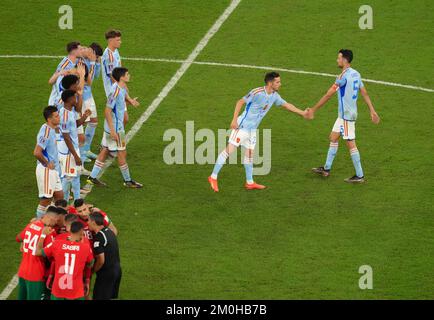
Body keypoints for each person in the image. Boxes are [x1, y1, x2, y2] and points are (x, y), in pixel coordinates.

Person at [208, 72, 311, 192]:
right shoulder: (257, 92)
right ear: (270, 83)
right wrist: (234, 120)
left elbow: (287, 105)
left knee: (249, 155)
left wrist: (302, 113)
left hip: (252, 130)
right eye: (277, 82)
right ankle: (213, 177)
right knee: (229, 151)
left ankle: (249, 182)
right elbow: (240, 102)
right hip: (242, 127)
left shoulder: (274, 96)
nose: (280, 84)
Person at [308, 49, 380, 183]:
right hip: (344, 115)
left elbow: (328, 94)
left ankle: (360, 175)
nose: (337, 60)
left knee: (350, 143)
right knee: (333, 137)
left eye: (339, 58)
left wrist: (314, 109)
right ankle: (326, 168)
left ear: (345, 60)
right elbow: (364, 93)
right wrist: (372, 110)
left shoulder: (342, 77)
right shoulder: (357, 74)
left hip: (347, 116)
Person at [87, 67, 142, 188]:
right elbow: (107, 111)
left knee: (105, 150)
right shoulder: (115, 91)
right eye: (127, 74)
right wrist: (113, 131)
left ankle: (92, 177)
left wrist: (131, 101)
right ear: (121, 77)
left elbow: (124, 95)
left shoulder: (120, 87)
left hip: (114, 127)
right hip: (116, 129)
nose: (129, 75)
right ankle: (127, 181)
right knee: (122, 153)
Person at [35, 221, 94, 300]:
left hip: (58, 289)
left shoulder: (56, 244)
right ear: (81, 232)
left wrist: (43, 235)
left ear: (70, 230)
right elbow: (90, 264)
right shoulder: (85, 248)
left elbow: (37, 252)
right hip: (75, 290)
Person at [15, 206, 59, 300]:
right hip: (36, 274)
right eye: (56, 220)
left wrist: (24, 242)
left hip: (23, 271)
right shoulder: (48, 233)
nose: (56, 223)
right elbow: (51, 256)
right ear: (52, 218)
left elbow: (18, 238)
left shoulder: (31, 225)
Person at [58, 89, 91, 201]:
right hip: (68, 152)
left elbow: (74, 126)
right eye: (75, 97)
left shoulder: (69, 111)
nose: (76, 99)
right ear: (70, 99)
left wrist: (84, 117)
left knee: (75, 175)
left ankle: (77, 201)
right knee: (68, 177)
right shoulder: (65, 115)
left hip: (72, 148)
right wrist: (76, 156)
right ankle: (60, 203)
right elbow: (66, 137)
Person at [102, 29, 139, 126]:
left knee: (121, 119)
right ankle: (114, 137)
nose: (120, 42)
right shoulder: (109, 56)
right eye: (118, 40)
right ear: (111, 41)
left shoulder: (115, 51)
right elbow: (112, 76)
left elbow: (119, 69)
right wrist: (122, 88)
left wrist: (124, 85)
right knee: (123, 119)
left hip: (119, 86)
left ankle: (112, 137)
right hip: (113, 89)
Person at [34, 106, 64, 217]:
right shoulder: (46, 131)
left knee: (60, 197)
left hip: (54, 170)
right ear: (49, 119)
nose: (59, 117)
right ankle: (38, 224)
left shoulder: (51, 129)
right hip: (46, 170)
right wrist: (47, 163)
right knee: (46, 200)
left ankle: (53, 219)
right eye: (56, 116)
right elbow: (37, 152)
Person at [88, 212, 122, 300]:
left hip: (106, 274)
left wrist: (93, 270)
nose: (87, 223)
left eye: (88, 220)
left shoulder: (99, 237)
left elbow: (101, 260)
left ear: (93, 222)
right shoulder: (109, 231)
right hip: (117, 269)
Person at [81, 43, 103, 162]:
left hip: (88, 95)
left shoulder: (90, 60)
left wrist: (97, 62)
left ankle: (86, 149)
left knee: (93, 122)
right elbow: (90, 80)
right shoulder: (82, 61)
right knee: (82, 123)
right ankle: (81, 154)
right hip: (82, 97)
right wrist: (94, 63)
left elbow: (96, 76)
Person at [48, 41, 82, 106]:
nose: (82, 51)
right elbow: (51, 81)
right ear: (74, 51)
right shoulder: (64, 65)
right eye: (80, 49)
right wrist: (60, 73)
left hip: (68, 99)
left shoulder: (78, 61)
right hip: (57, 100)